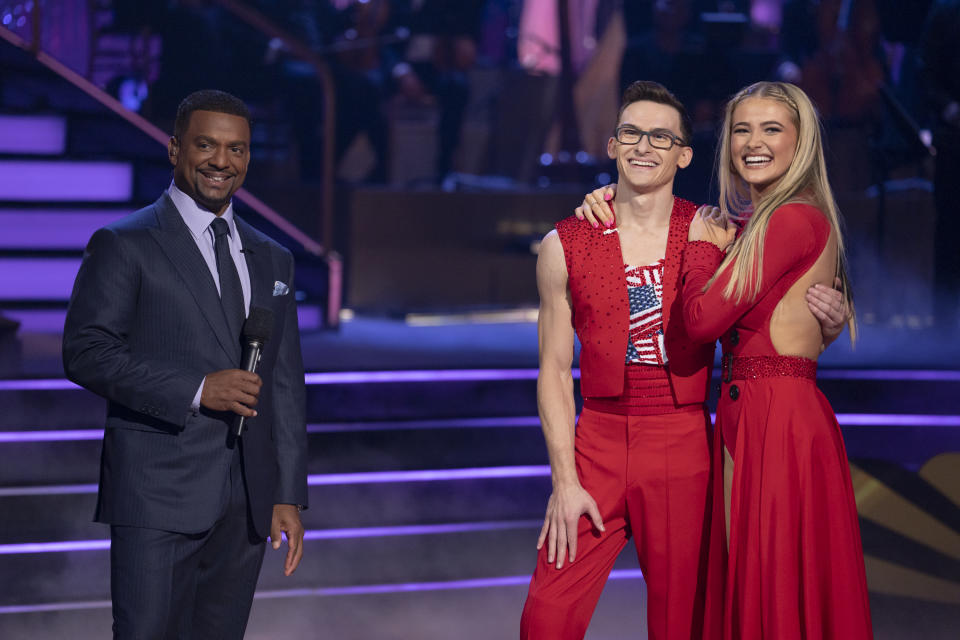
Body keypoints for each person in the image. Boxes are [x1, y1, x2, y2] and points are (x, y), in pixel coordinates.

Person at [520, 80, 848, 640]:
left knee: (685, 625)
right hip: (595, 441)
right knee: (545, 621)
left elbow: (774, 315)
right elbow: (552, 369)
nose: (644, 147)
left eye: (660, 136)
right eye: (631, 133)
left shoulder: (719, 233)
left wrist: (830, 324)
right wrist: (564, 480)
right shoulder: (564, 243)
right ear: (612, 145)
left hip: (683, 444)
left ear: (684, 153)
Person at [62, 89, 308, 638]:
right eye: (206, 145)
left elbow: (285, 383)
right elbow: (85, 351)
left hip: (245, 500)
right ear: (174, 150)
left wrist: (286, 492)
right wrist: (198, 389)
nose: (222, 161)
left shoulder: (273, 256)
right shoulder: (125, 244)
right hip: (156, 491)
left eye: (237, 149)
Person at [680, 81, 873, 638]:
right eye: (742, 128)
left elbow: (701, 322)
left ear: (801, 143)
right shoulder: (766, 221)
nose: (752, 142)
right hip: (766, 413)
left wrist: (700, 249)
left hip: (776, 421)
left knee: (772, 585)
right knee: (767, 583)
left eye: (771, 129)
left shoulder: (789, 219)